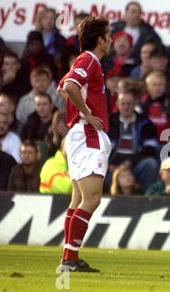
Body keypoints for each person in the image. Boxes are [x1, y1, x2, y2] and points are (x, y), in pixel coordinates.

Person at [56, 16, 112, 272]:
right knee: (92, 198)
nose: (111, 40)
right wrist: (87, 113)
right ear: (100, 39)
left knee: (78, 198)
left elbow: (63, 87)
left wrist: (81, 109)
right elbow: (69, 85)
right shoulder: (89, 59)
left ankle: (68, 259)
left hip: (80, 134)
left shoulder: (87, 61)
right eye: (108, 35)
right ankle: (70, 259)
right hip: (88, 134)